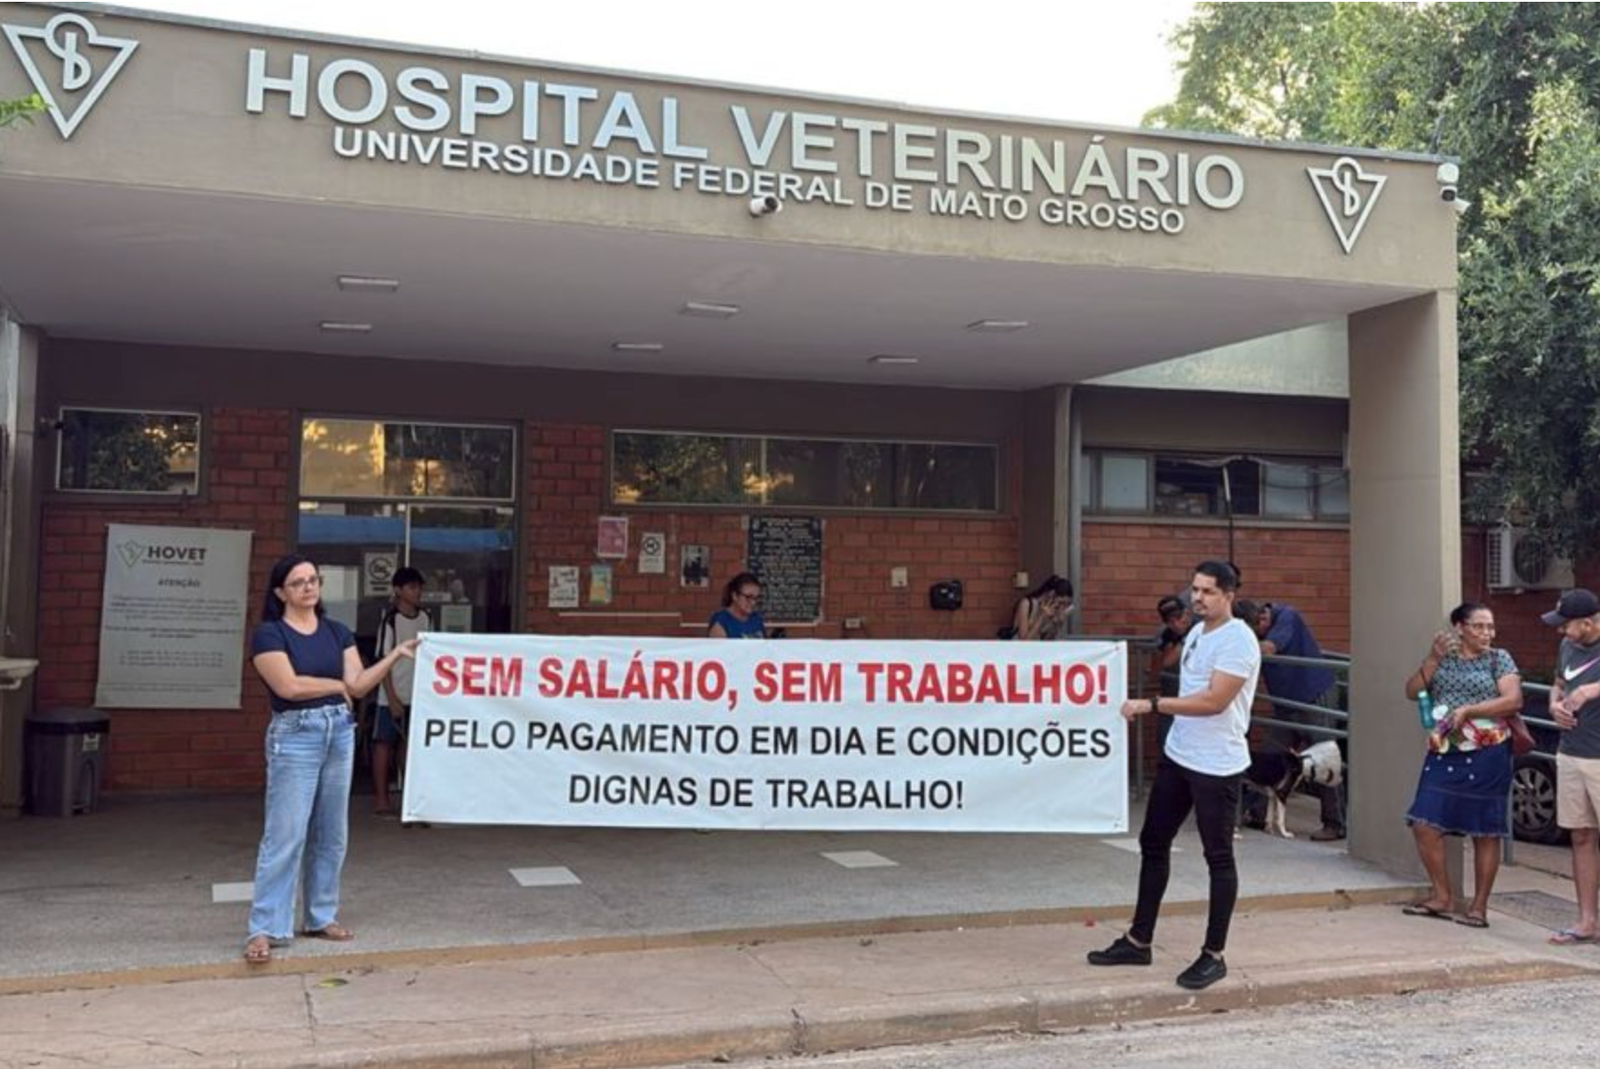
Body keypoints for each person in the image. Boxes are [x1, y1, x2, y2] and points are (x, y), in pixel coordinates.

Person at [1089, 560, 1260, 991]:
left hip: (1217, 765)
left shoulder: (1239, 640)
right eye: (1195, 589)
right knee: (1153, 842)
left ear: (1229, 595)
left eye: (1208, 591)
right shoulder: (1197, 632)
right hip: (1180, 755)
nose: (1197, 598)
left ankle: (1214, 955)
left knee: (1218, 857)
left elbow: (1214, 702)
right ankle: (1139, 940)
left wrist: (1152, 705)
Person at [243, 554, 418, 964]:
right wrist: (337, 684)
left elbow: (358, 685)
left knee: (331, 833)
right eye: (298, 582)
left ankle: (320, 916)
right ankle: (265, 927)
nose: (308, 587)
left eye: (313, 579)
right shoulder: (269, 634)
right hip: (296, 734)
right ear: (280, 592)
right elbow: (288, 686)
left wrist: (394, 655)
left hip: (338, 731)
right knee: (286, 834)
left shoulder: (337, 631)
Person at [1400, 602, 1522, 930]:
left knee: (1485, 830)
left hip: (1488, 751)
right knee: (1424, 822)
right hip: (1445, 750)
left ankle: (1479, 907)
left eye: (1490, 627)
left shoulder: (1499, 658)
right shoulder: (1444, 658)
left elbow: (1513, 700)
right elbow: (1412, 691)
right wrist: (1432, 658)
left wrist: (1469, 710)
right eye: (1479, 626)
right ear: (1460, 627)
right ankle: (1442, 896)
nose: (1487, 633)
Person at [1248, 600, 1345, 841]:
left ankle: (1334, 823)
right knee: (1270, 753)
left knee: (1324, 755)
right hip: (1286, 703)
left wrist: (1236, 645)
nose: (1254, 634)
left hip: (1314, 694)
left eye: (1253, 629)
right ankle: (1258, 813)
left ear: (1263, 618)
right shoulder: (1260, 627)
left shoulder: (1286, 615)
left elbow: (1269, 647)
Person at [1543, 588, 1600, 945]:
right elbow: (1559, 683)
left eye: (1566, 624)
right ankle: (1586, 921)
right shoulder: (1567, 645)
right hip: (1571, 751)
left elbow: (1584, 689)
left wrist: (1592, 690)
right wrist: (1554, 705)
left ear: (1589, 623)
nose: (1561, 630)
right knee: (1580, 835)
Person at [372, 566, 429, 817]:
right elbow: (382, 662)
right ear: (398, 590)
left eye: (419, 587)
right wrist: (392, 698)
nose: (418, 592)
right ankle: (381, 800)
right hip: (390, 695)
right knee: (384, 745)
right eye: (412, 587)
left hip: (417, 694)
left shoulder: (426, 618)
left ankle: (409, 799)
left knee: (408, 746)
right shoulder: (390, 621)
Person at [1009, 575, 1074, 641]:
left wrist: (1056, 624)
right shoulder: (1026, 604)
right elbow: (1024, 642)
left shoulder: (1052, 609)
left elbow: (1047, 641)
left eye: (1067, 604)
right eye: (1061, 602)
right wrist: (1041, 617)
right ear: (1051, 594)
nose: (1062, 607)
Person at [708, 572, 766, 638]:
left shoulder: (756, 619)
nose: (753, 602)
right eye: (748, 597)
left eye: (756, 598)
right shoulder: (721, 622)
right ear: (734, 596)